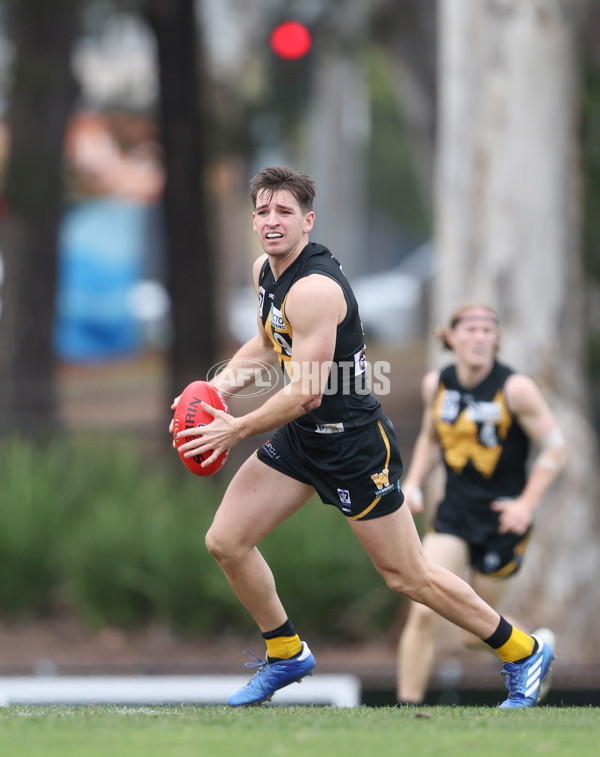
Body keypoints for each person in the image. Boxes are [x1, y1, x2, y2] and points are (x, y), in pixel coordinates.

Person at [173, 166, 555, 708]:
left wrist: (233, 427)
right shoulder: (266, 272)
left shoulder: (315, 290)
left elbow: (306, 390)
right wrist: (213, 393)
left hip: (354, 444)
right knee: (226, 541)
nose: (271, 220)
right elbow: (265, 342)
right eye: (263, 210)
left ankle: (523, 650)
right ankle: (286, 652)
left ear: (308, 221)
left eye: (284, 211)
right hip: (305, 437)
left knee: (409, 575)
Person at [397, 303, 566, 705]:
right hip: (453, 514)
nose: (479, 336)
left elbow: (556, 449)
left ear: (496, 340)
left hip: (503, 520)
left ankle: (534, 650)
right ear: (451, 337)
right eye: (470, 329)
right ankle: (405, 711)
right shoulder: (435, 384)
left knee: (473, 633)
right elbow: (431, 438)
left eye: (488, 330)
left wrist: (526, 504)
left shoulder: (516, 388)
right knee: (422, 604)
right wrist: (415, 482)